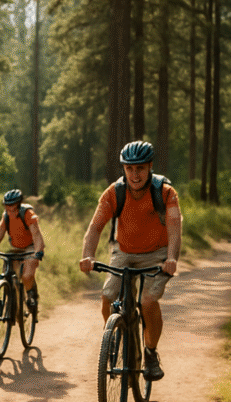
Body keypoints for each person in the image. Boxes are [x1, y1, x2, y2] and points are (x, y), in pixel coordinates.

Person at [78, 140, 182, 380]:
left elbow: (175, 229)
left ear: (150, 167)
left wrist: (171, 259)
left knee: (147, 301)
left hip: (157, 253)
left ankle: (151, 353)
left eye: (140, 169)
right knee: (107, 297)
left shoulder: (165, 193)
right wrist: (88, 255)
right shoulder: (115, 193)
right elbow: (95, 228)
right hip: (124, 251)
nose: (135, 175)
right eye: (129, 169)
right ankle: (115, 337)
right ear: (123, 169)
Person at [0, 188, 46, 312]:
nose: (10, 212)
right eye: (7, 209)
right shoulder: (6, 216)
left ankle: (31, 296)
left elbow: (36, 235)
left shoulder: (27, 214)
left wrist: (38, 252)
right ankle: (12, 304)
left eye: (13, 209)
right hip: (15, 248)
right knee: (7, 275)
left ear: (19, 205)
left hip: (30, 247)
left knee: (27, 275)